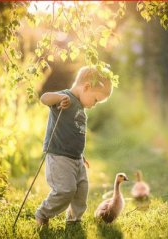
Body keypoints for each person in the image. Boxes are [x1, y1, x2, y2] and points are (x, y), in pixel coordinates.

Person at [35, 66, 113, 226]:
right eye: (96, 100)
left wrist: (81, 154)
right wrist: (58, 99)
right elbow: (44, 98)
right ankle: (43, 213)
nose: (95, 105)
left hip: (76, 158)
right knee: (66, 190)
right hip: (59, 156)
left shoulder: (80, 107)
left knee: (81, 190)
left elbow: (75, 133)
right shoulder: (66, 97)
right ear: (86, 87)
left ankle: (74, 220)